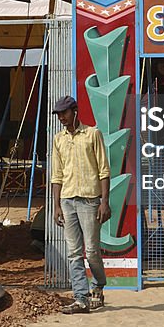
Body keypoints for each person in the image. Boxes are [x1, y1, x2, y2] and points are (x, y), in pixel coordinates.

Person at [49, 95, 111, 314]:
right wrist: (56, 205)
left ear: (74, 111)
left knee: (92, 250)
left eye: (64, 113)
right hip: (67, 200)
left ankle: (98, 285)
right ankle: (80, 298)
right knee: (74, 252)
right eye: (58, 115)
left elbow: (104, 169)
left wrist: (105, 202)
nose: (61, 118)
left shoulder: (93, 135)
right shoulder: (58, 139)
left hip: (89, 200)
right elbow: (57, 175)